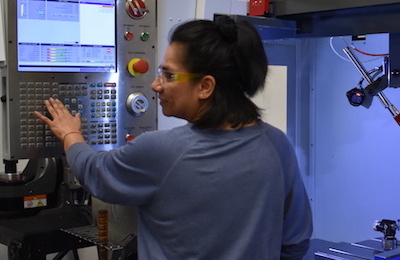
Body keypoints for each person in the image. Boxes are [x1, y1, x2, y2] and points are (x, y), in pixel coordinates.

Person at [35, 15, 313, 260]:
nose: (156, 85)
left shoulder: (163, 151)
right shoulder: (277, 144)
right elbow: (295, 242)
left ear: (205, 86)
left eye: (169, 75)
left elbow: (94, 171)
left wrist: (70, 133)